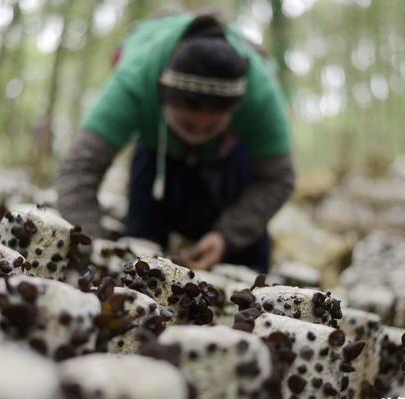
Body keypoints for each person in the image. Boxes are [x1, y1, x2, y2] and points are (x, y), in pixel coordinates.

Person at [57, 13, 295, 273]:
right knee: (140, 246)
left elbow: (277, 178)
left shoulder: (260, 93)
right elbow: (80, 168)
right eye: (188, 125)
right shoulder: (135, 78)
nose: (198, 134)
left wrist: (227, 236)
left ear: (234, 111)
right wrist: (89, 253)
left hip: (227, 156)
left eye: (211, 126)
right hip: (156, 150)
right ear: (163, 97)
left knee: (247, 263)